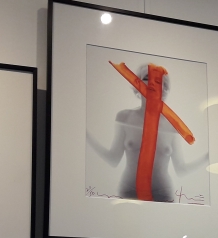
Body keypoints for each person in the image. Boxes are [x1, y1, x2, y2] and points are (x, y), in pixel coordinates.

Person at [86, 64, 209, 202]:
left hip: (163, 195)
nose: (151, 83)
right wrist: (86, 137)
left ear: (165, 88)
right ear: (136, 82)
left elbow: (181, 169)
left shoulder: (173, 125)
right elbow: (113, 159)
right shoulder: (124, 117)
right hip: (128, 192)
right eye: (146, 78)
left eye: (158, 81)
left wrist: (208, 158)